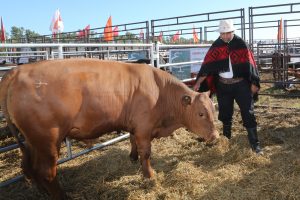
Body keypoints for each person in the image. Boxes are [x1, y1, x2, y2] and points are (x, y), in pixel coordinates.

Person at [193, 19, 262, 154]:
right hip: (223, 86)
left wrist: (254, 82)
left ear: (232, 31)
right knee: (225, 113)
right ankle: (226, 141)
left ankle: (255, 145)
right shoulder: (216, 45)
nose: (225, 36)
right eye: (222, 33)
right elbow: (207, 66)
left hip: (241, 84)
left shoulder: (241, 44)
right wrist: (198, 82)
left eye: (227, 33)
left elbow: (250, 63)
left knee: (248, 113)